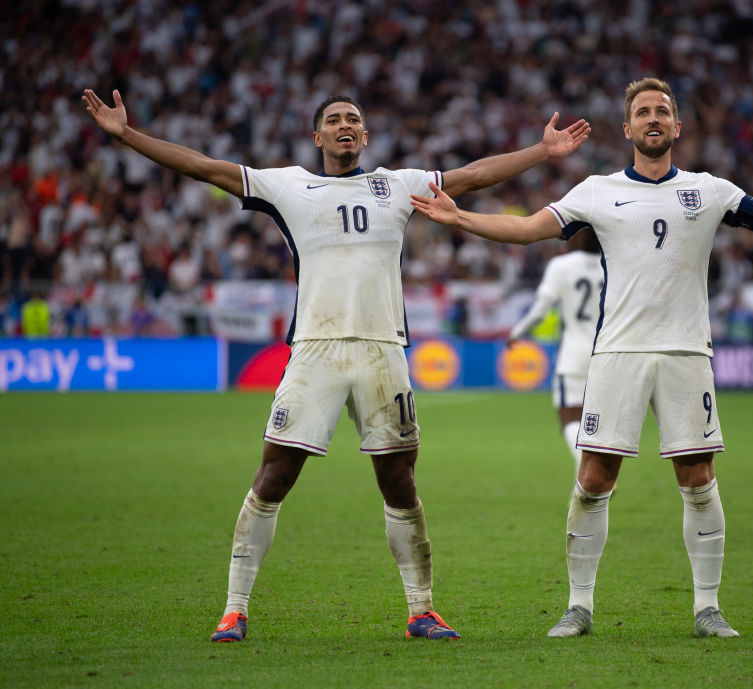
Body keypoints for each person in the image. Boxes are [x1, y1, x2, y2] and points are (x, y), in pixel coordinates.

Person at [410, 77, 753, 638]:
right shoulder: (596, 190)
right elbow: (528, 229)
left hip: (686, 354)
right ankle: (579, 606)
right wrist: (460, 218)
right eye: (643, 112)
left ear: (677, 127)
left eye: (663, 111)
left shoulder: (710, 190)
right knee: (592, 477)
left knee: (698, 476)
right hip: (617, 354)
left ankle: (707, 607)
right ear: (628, 128)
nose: (653, 118)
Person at [82, 88, 591, 642]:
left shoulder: (397, 185)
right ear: (318, 136)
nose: (345, 125)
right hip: (316, 352)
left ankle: (421, 610)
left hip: (382, 352)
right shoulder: (287, 185)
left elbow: (470, 177)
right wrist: (127, 135)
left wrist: (540, 152)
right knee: (274, 475)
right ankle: (234, 609)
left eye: (353, 119)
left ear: (365, 137)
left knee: (399, 481)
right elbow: (204, 167)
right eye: (333, 119)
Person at [507, 227, 603, 476]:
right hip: (608, 353)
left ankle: (588, 470)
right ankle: (586, 486)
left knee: (570, 418)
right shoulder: (614, 264)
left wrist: (516, 334)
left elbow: (540, 310)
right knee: (597, 425)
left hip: (574, 354)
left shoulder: (562, 265)